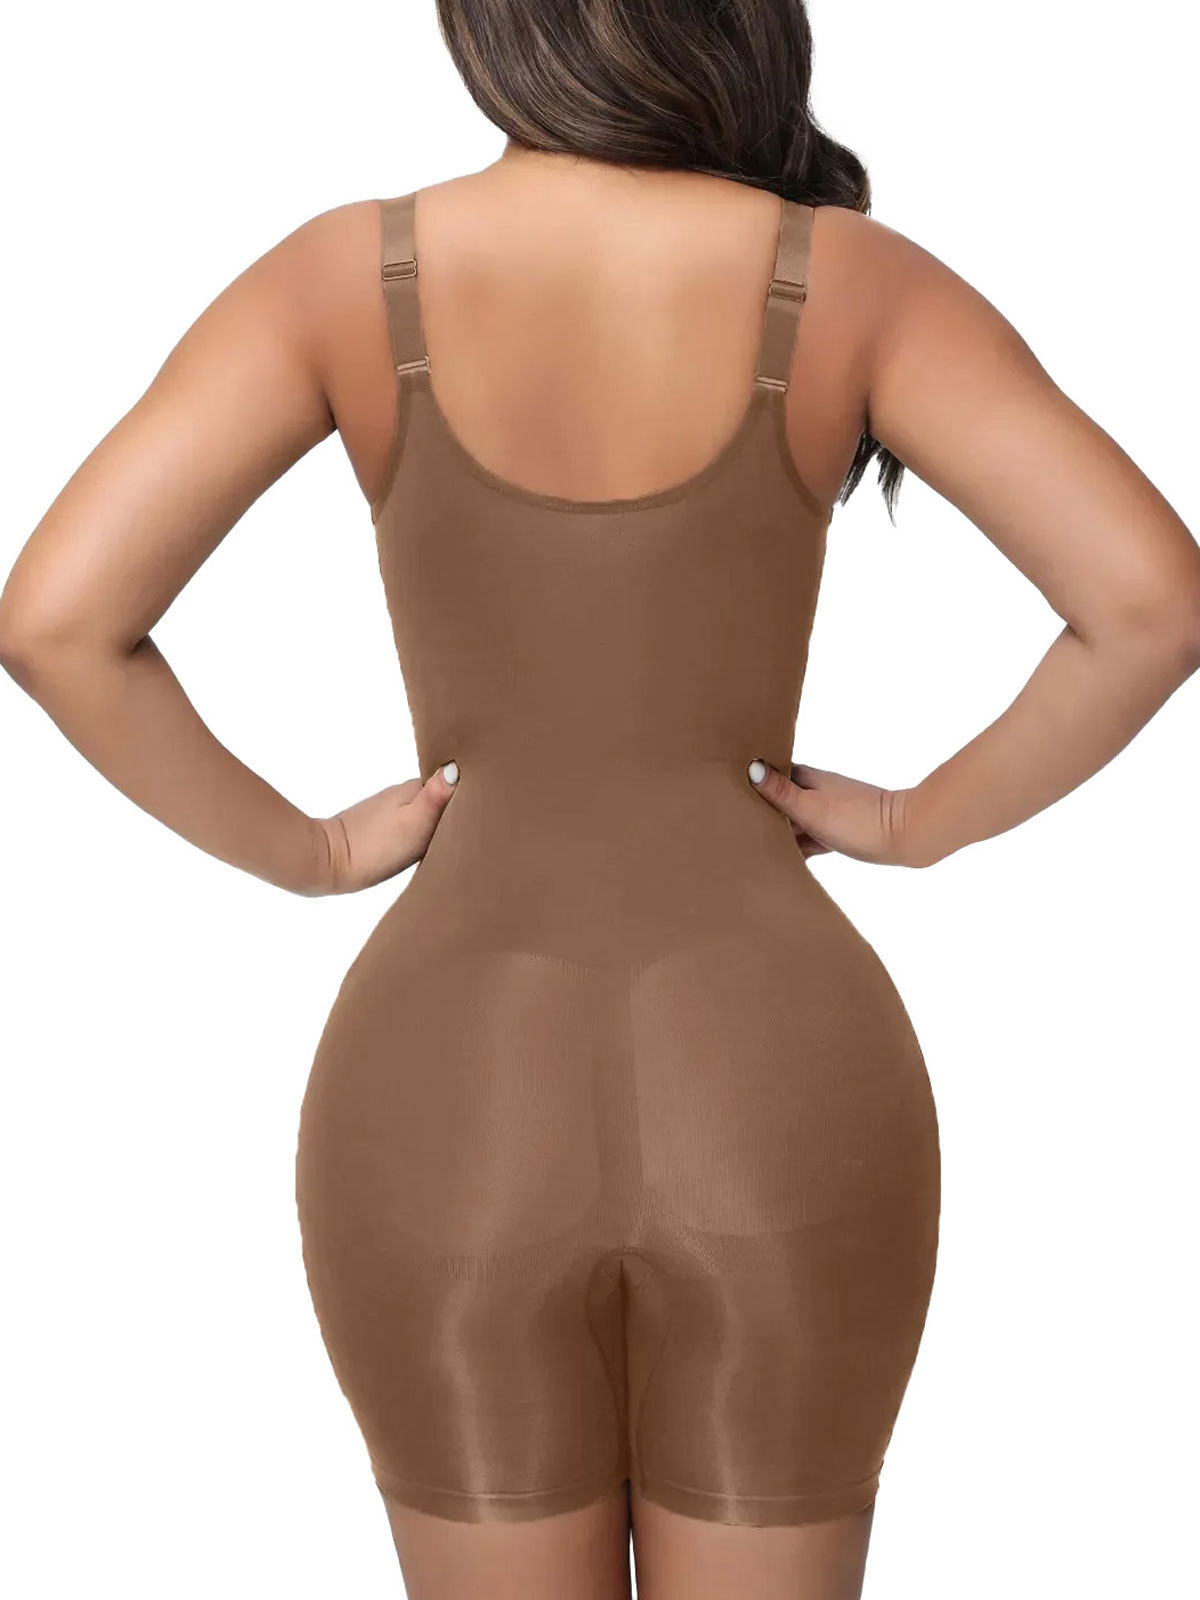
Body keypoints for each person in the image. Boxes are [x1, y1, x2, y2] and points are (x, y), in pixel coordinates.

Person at [2, 3, 1198, 1597]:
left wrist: (314, 852)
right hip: (776, 1078)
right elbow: (1150, 605)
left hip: (450, 1088)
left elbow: (55, 621)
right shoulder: (846, 282)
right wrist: (916, 822)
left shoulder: (351, 278)